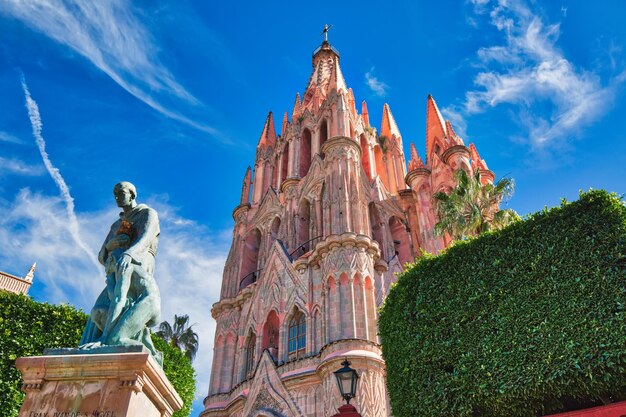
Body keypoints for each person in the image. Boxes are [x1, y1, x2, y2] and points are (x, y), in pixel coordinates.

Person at [80, 181, 161, 362]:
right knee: (98, 311)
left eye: (121, 192)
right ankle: (117, 337)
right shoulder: (116, 225)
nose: (117, 196)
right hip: (120, 267)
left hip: (137, 263)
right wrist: (112, 246)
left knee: (120, 307)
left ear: (132, 194)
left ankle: (112, 339)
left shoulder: (147, 214)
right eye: (114, 193)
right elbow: (103, 254)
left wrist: (128, 254)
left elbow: (146, 239)